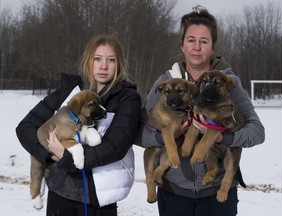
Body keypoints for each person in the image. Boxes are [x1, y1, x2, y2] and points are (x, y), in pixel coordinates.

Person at [138, 5, 265, 216]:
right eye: (191, 40)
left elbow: (258, 132)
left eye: (204, 41)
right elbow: (139, 134)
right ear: (182, 45)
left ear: (213, 47)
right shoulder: (165, 83)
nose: (197, 47)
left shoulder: (229, 83)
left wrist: (222, 139)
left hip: (216, 193)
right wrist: (167, 136)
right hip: (174, 192)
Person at [16, 34, 142, 216]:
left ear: (119, 64)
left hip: (98, 198)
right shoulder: (71, 91)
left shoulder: (128, 99)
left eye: (111, 60)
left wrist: (66, 155)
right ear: (88, 61)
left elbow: (115, 147)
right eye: (97, 59)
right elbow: (25, 128)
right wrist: (48, 155)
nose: (103, 66)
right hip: (60, 192)